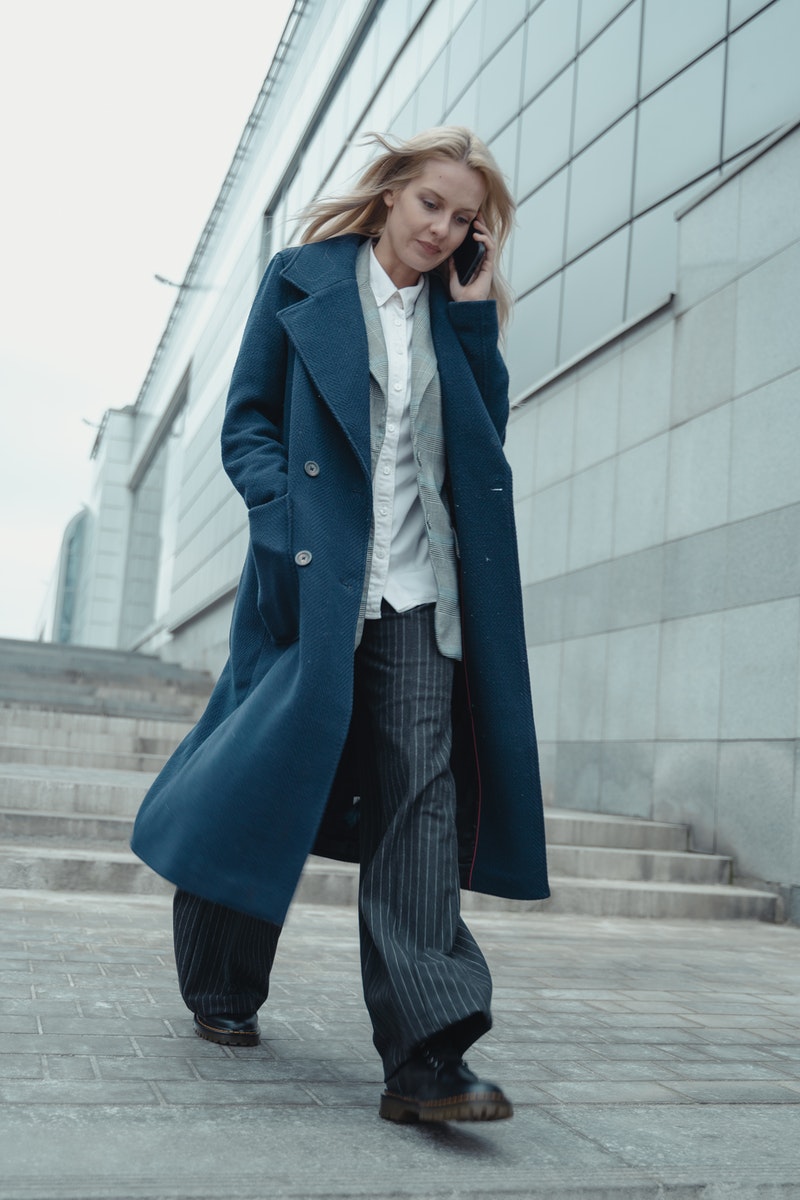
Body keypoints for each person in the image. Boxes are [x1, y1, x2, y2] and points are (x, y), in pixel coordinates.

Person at [131, 126, 549, 1124]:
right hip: (312, 580)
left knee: (421, 800)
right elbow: (247, 423)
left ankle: (427, 1057)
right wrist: (282, 521)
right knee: (263, 776)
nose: (441, 230)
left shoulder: (457, 310)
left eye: (462, 220)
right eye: (429, 206)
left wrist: (476, 320)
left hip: (416, 591)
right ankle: (221, 983)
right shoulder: (301, 278)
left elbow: (481, 437)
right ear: (391, 194)